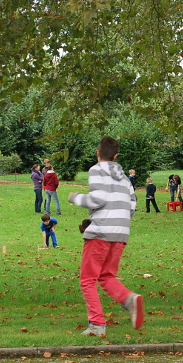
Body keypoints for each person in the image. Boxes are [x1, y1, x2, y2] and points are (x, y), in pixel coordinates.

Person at [68, 136, 144, 336]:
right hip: (120, 233)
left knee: (87, 279)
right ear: (116, 156)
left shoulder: (96, 169)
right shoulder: (126, 179)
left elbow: (97, 199)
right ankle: (129, 300)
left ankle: (96, 324)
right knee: (106, 276)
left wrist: (75, 197)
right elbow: (132, 204)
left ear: (97, 153)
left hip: (101, 232)